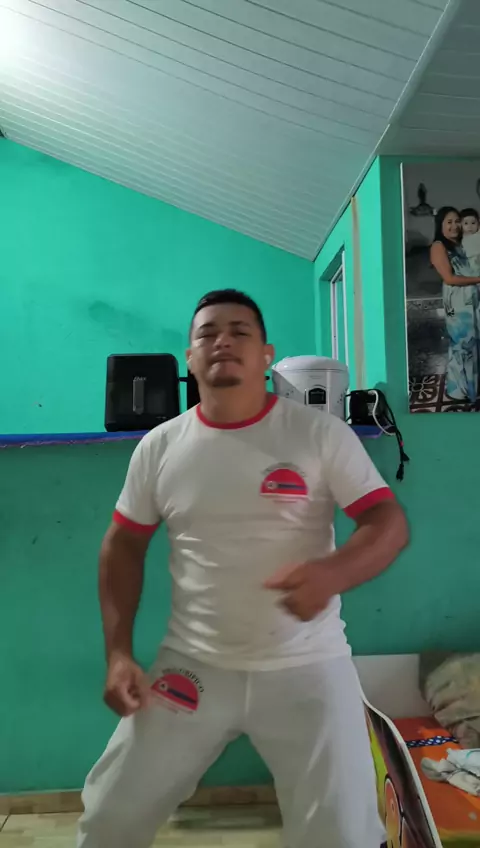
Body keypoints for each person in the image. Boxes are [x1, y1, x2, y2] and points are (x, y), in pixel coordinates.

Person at [77, 289, 408, 848]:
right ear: (189, 358)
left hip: (308, 666)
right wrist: (118, 654)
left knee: (344, 833)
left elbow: (387, 522)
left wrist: (333, 574)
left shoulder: (319, 433)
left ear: (266, 355)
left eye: (239, 332)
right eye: (207, 333)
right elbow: (123, 544)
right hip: (193, 670)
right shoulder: (160, 447)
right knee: (109, 815)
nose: (222, 341)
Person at [430, 207, 480, 403]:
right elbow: (449, 278)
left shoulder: (459, 244)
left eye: (457, 221)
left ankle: (473, 389)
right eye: (449, 222)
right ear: (440, 225)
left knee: (473, 345)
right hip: (458, 304)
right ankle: (460, 391)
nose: (455, 225)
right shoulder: (438, 246)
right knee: (462, 346)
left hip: (471, 301)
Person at [460, 207, 480, 277]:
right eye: (466, 223)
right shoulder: (460, 238)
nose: (470, 226)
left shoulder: (478, 235)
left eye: (473, 223)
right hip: (469, 267)